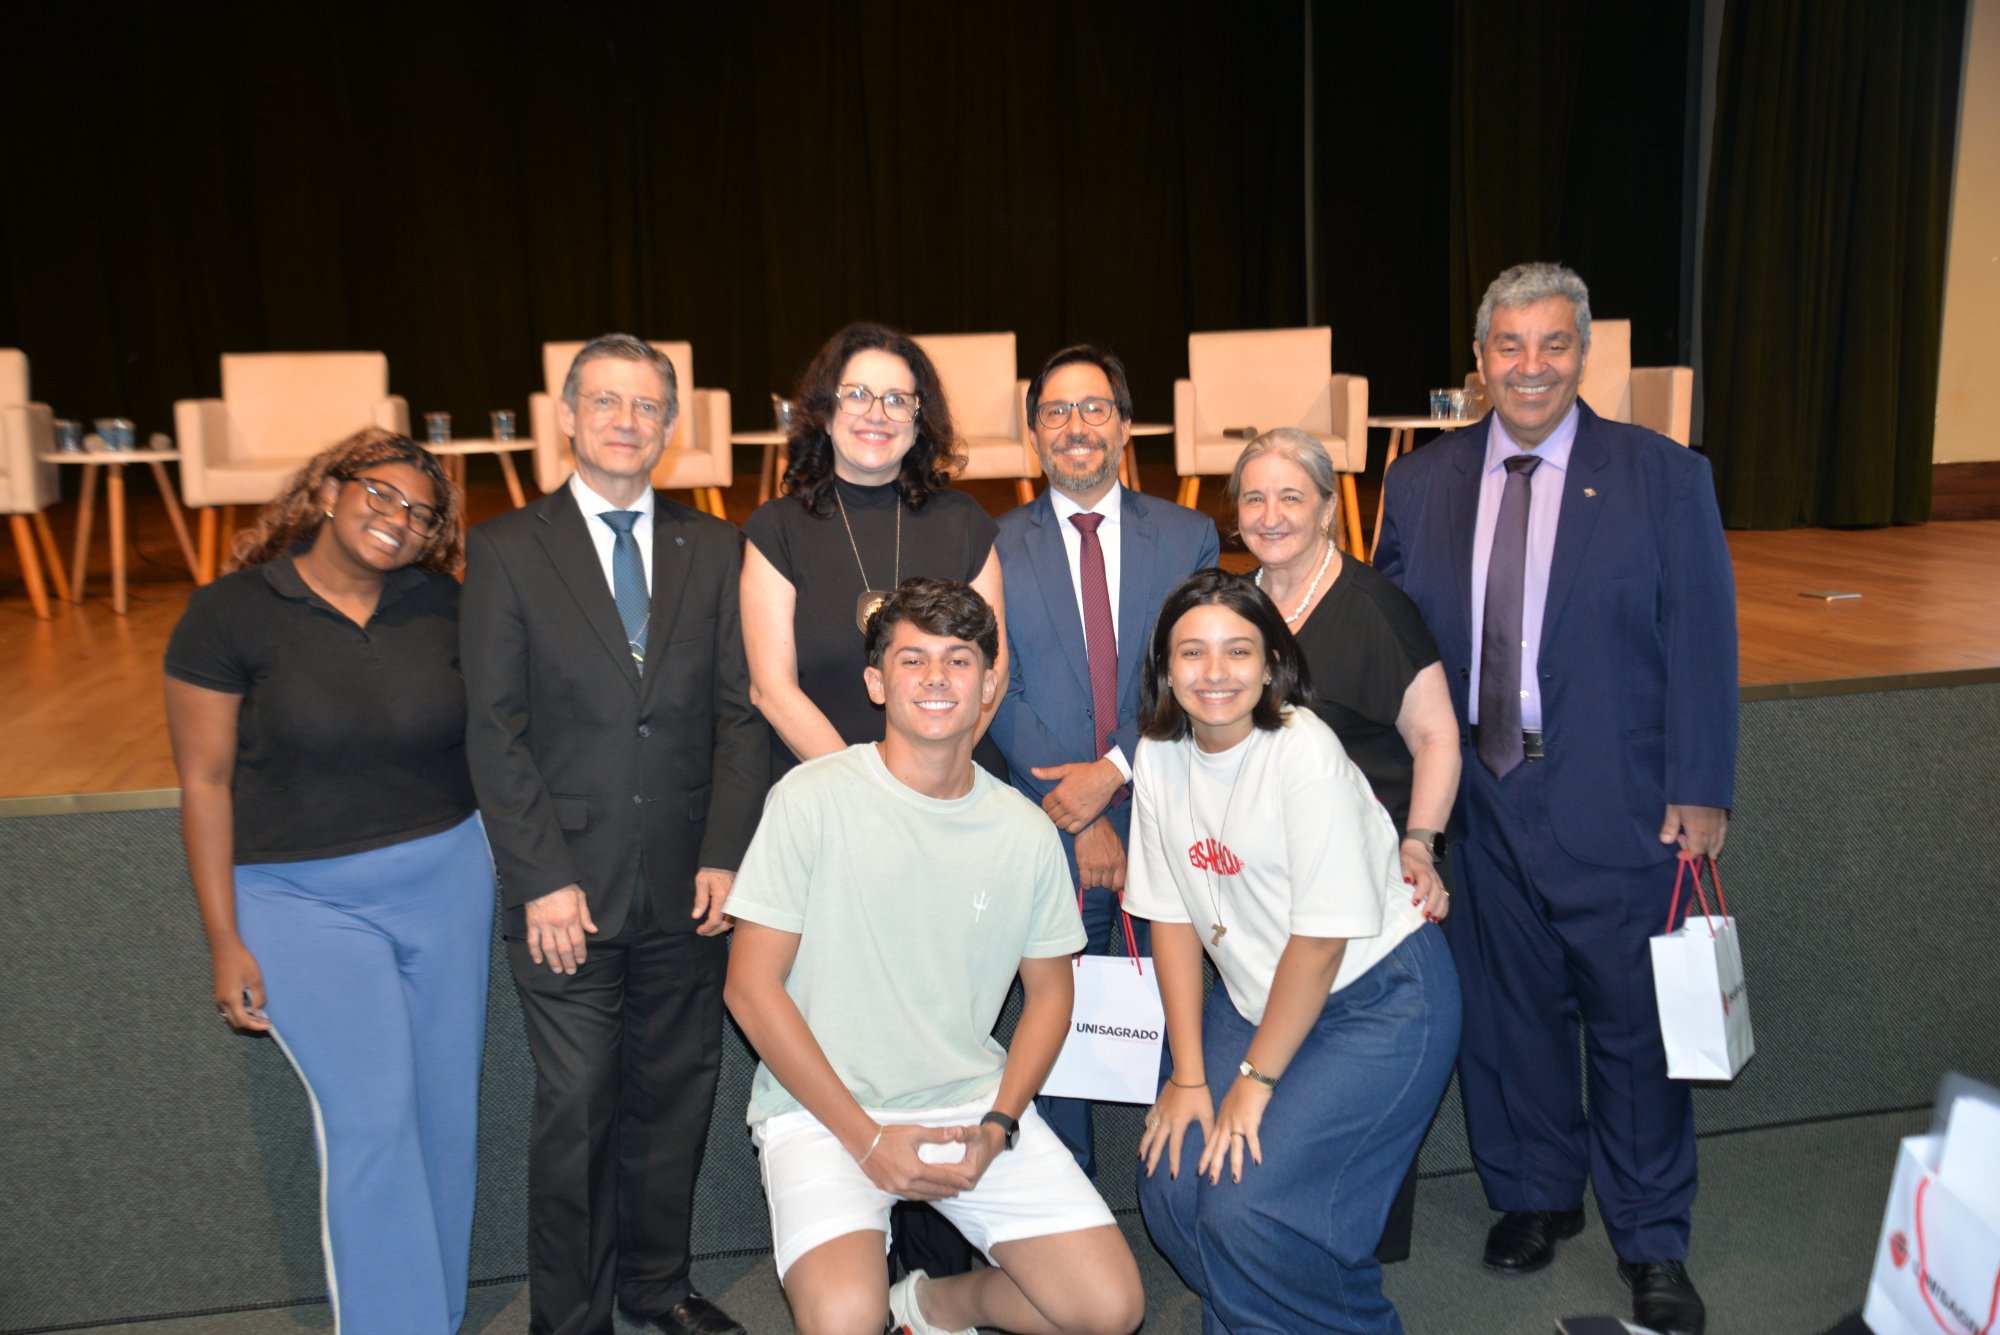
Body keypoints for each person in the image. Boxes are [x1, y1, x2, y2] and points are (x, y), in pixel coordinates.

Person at [1373, 262, 1738, 1335]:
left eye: (1553, 344)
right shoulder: (1419, 482)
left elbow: (1702, 637)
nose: (1530, 366)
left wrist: (1701, 786)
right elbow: (1388, 639)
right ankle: (1535, 1194)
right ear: (1478, 359)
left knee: (1634, 1027)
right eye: (1509, 345)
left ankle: (1651, 1237)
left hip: (1619, 797)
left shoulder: (1662, 476)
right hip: (1476, 802)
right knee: (1507, 1014)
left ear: (1583, 353)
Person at [723, 577, 1145, 1335]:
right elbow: (751, 988)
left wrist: (999, 1123)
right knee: (844, 1320)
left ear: (988, 685)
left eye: (958, 659)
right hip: (823, 1112)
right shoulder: (810, 798)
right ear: (876, 682)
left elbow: (1052, 995)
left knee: (1109, 1309)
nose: (937, 678)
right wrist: (866, 1140)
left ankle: (929, 1306)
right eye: (912, 660)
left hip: (968, 1104)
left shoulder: (1023, 831)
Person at [461, 335, 768, 1335]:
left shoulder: (712, 545)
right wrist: (539, 878)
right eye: (605, 401)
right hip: (566, 895)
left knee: (677, 1096)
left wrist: (725, 851)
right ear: (566, 415)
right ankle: (570, 1317)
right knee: (577, 1108)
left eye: (645, 406)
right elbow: (493, 728)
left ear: (670, 425)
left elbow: (737, 713)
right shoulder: (506, 548)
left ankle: (656, 1286)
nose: (626, 421)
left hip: (689, 885)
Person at [165, 428, 491, 1335]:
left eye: (421, 513)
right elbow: (204, 783)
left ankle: (435, 1316)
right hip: (298, 897)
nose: (398, 519)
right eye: (380, 494)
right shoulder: (230, 612)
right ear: (327, 491)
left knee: (444, 1118)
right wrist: (224, 938)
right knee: (374, 1117)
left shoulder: (442, 604)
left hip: (446, 882)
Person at [1126, 569, 1461, 1335]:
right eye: (1193, 652)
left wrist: (1251, 1083)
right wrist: (1187, 1074)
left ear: (1273, 662)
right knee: (1172, 1180)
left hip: (1378, 999)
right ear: (1165, 668)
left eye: (1238, 650)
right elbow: (1170, 916)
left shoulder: (1302, 750)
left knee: (1250, 1203)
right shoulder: (1159, 753)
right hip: (1255, 999)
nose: (1215, 672)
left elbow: (1320, 942)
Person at [1229, 426, 1460, 1261]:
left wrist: (1422, 842)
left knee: (1354, 1072)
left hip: (1365, 876)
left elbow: (1436, 737)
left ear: (1328, 507)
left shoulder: (1374, 607)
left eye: (1292, 496)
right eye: (1254, 497)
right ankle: (1281, 1217)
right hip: (1267, 882)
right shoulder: (1234, 606)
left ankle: (1354, 1248)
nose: (1271, 514)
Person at [989, 343, 1218, 1175]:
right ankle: (1067, 1207)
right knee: (1053, 1028)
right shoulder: (993, 544)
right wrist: (1080, 811)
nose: (1075, 426)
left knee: (1191, 1033)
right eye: (1056, 411)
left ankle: (1194, 1195)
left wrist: (1115, 773)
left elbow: (1196, 677)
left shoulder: (1189, 536)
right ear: (1034, 433)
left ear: (1124, 425)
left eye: (1093, 408)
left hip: (1166, 815)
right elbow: (994, 686)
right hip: (1044, 823)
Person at [742, 320, 1009, 784]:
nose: (877, 414)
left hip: (951, 781)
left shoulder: (964, 522)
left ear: (918, 422)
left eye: (897, 400)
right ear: (826, 413)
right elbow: (772, 689)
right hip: (827, 784)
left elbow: (995, 668)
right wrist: (871, 792)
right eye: (857, 395)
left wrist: (935, 773)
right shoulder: (776, 529)